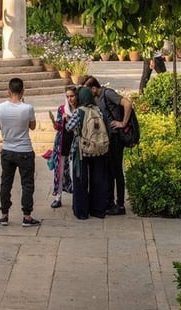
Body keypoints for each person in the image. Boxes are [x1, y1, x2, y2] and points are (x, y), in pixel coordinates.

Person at [84, 76, 134, 215]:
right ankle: (110, 201)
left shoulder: (107, 93)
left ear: (94, 88)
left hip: (116, 137)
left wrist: (122, 123)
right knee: (109, 171)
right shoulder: (96, 99)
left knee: (117, 170)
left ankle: (120, 204)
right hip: (107, 138)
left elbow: (127, 103)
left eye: (89, 91)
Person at [0, 77, 40, 227]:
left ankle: (4, 214)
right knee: (27, 183)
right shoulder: (27, 108)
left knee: (5, 183)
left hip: (7, 149)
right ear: (22, 92)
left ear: (8, 91)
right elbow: (32, 126)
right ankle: (27, 216)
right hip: (24, 150)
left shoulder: (0, 108)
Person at [65, 87, 110, 219]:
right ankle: (98, 209)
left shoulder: (80, 112)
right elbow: (107, 128)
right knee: (98, 181)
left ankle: (81, 211)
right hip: (99, 151)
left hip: (82, 152)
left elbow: (69, 127)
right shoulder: (99, 111)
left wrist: (68, 119)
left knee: (81, 181)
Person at [48, 85, 78, 209]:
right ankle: (58, 197)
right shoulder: (62, 109)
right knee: (59, 172)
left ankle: (77, 198)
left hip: (75, 145)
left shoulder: (80, 110)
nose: (70, 99)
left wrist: (70, 119)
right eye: (67, 97)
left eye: (72, 96)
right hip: (62, 144)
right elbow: (59, 127)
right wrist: (54, 122)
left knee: (73, 172)